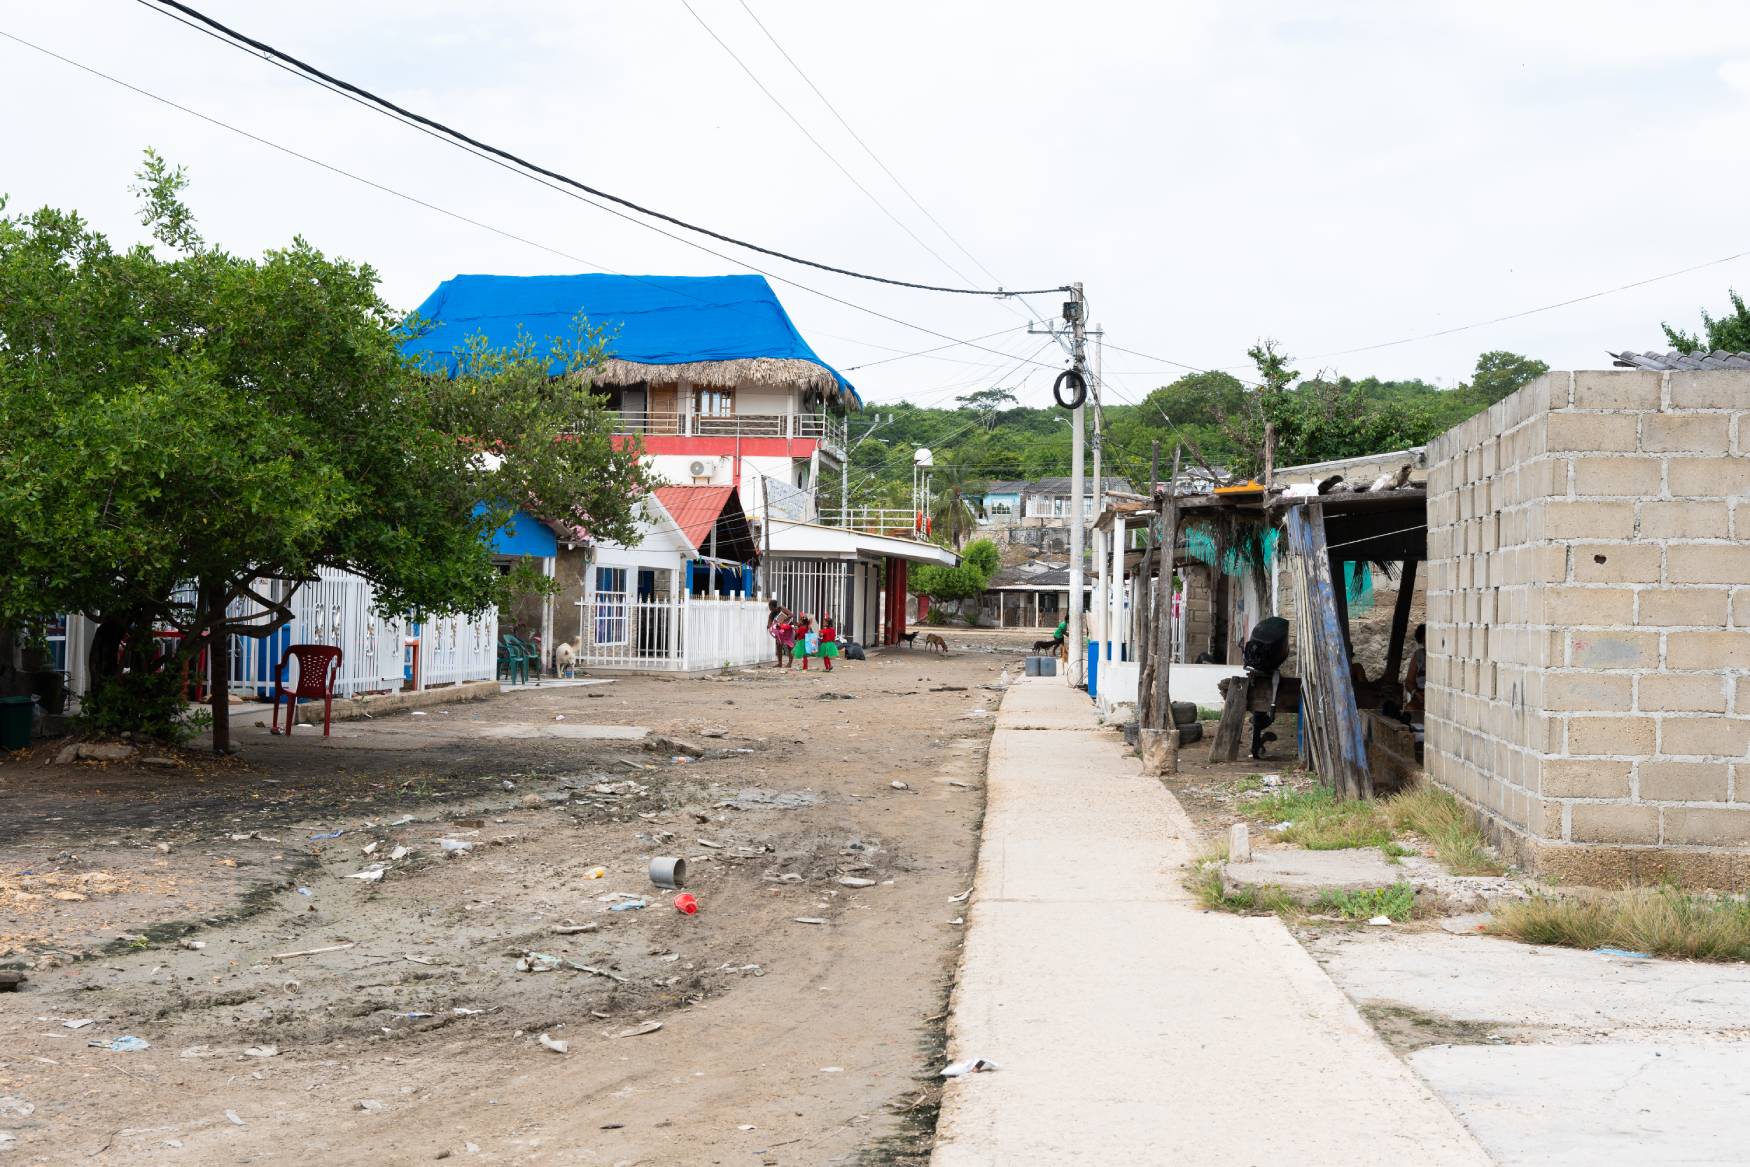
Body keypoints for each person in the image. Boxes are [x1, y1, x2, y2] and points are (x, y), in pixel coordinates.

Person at [1402, 623, 1427, 718]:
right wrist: (1415, 693)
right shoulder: (1418, 655)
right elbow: (1409, 681)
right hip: (1420, 696)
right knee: (1410, 709)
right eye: (1424, 640)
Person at [767, 599, 792, 669]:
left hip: (787, 628)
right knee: (778, 645)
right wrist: (769, 626)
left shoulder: (781, 608)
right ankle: (779, 663)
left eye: (770, 607)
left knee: (789, 645)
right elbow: (769, 624)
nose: (769, 609)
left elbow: (791, 614)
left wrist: (782, 620)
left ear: (773, 606)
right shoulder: (771, 614)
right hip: (779, 631)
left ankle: (790, 663)